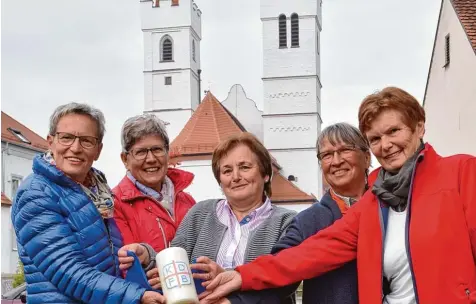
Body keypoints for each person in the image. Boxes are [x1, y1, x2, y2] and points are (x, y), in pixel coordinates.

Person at [201, 87, 476, 304]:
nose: (387, 145)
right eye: (376, 138)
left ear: (418, 127)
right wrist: (241, 275)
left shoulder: (460, 173)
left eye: (394, 131)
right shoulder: (374, 203)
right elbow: (308, 254)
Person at [11, 103, 164, 304]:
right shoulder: (36, 192)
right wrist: (136, 296)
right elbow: (67, 271)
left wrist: (144, 255)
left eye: (86, 141)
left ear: (98, 150)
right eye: (66, 137)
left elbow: (107, 262)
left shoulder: (99, 192)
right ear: (51, 142)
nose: (75, 148)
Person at [119, 132, 296, 295]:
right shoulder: (200, 213)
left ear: (265, 174)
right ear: (220, 180)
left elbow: (285, 279)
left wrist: (226, 276)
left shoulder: (286, 222)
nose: (235, 177)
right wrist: (147, 255)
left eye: (244, 167)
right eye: (227, 171)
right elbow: (175, 264)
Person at [230, 123, 370, 304]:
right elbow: (280, 271)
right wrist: (235, 301)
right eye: (326, 155)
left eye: (344, 150)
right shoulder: (309, 220)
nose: (336, 161)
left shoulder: (390, 206)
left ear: (366, 157)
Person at [113, 114, 196, 260]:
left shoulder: (187, 200)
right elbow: (126, 265)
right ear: (125, 159)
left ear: (167, 153)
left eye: (157, 149)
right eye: (141, 152)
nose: (151, 159)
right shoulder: (115, 205)